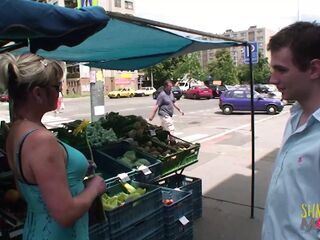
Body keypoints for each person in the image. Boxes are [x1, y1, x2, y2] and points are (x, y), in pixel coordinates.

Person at [0, 53, 106, 240]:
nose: (60, 92)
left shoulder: (16, 131)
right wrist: (94, 188)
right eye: (57, 87)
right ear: (38, 93)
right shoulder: (41, 140)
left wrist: (70, 169)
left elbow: (30, 190)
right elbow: (65, 215)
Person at [262, 21, 320, 239]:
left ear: (314, 69)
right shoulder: (295, 114)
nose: (272, 79)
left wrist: (308, 231)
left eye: (281, 70)